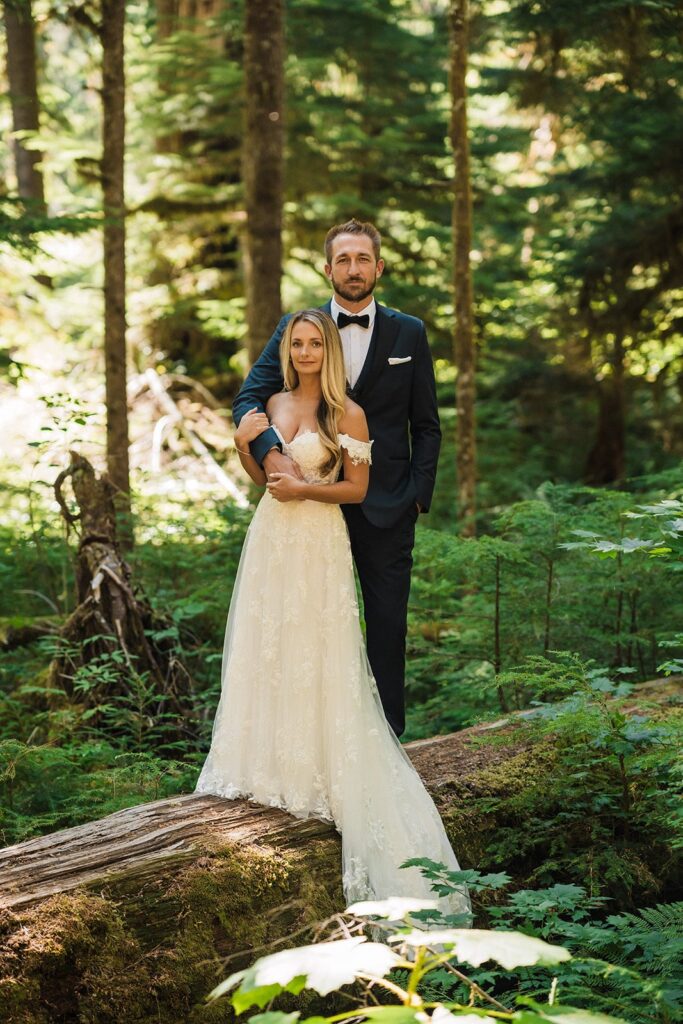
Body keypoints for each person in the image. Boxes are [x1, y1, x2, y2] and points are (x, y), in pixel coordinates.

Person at [195, 309, 469, 917]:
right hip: (272, 537)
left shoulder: (347, 413)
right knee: (271, 644)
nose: (307, 350)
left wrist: (307, 491)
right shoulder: (270, 403)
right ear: (287, 349)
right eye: (298, 342)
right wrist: (248, 450)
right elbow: (263, 475)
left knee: (321, 644)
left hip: (319, 536)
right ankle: (268, 760)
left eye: (316, 342)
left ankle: (328, 760)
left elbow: (357, 488)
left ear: (328, 351)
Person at [232, 218, 441, 738]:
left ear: (379, 267)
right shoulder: (297, 329)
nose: (353, 269)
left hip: (384, 503)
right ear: (328, 269)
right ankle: (307, 739)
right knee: (306, 626)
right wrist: (275, 460)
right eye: (343, 260)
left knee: (387, 627)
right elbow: (249, 399)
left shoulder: (408, 332)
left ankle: (388, 741)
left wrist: (417, 496)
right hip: (305, 511)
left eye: (362, 259)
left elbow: (427, 425)